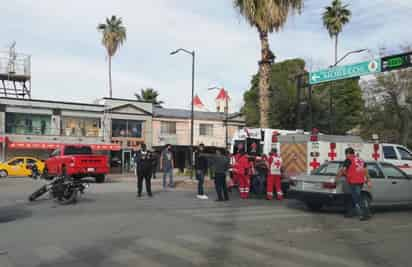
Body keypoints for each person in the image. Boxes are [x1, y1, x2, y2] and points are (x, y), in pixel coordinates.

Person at [336, 147, 371, 221]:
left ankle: (365, 214)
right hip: (360, 181)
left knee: (357, 198)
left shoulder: (348, 159)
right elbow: (366, 170)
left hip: (353, 182)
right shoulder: (360, 160)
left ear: (348, 154)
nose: (346, 156)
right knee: (354, 197)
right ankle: (350, 213)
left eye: (346, 154)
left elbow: (342, 170)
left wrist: (337, 178)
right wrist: (368, 181)